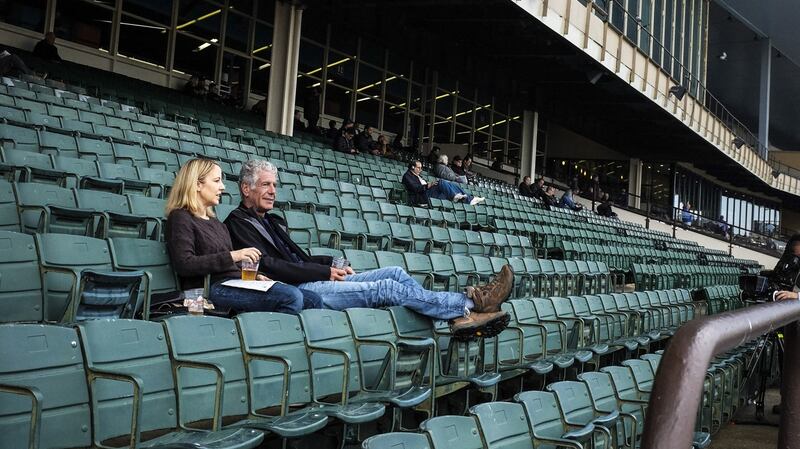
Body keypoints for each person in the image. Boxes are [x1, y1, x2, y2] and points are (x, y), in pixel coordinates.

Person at [224, 160, 513, 337]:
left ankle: (460, 315)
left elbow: (297, 258)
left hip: (312, 278)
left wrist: (332, 262)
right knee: (385, 287)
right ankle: (471, 306)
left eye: (275, 184)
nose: (273, 190)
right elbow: (273, 267)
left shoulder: (271, 220)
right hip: (302, 291)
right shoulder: (238, 223)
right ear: (246, 189)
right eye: (266, 185)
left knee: (396, 272)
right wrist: (325, 271)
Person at [164, 159, 321, 315]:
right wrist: (233, 255)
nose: (223, 187)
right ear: (197, 184)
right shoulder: (180, 217)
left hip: (233, 282)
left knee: (313, 299)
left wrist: (257, 276)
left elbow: (228, 267)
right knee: (291, 297)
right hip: (206, 290)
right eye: (217, 181)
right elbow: (184, 264)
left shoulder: (216, 223)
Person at [403, 160, 484, 206]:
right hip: (421, 197)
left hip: (428, 193)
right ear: (412, 167)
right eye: (419, 168)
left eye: (421, 168)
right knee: (441, 181)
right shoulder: (407, 176)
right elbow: (415, 188)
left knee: (452, 184)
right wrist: (428, 185)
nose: (420, 170)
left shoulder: (418, 176)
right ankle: (456, 196)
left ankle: (469, 198)